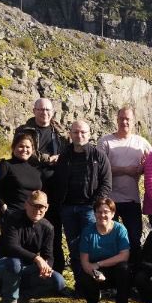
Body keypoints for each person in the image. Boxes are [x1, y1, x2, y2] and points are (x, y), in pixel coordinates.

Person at [0, 190, 66, 303]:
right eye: (34, 205)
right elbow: (11, 247)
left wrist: (47, 267)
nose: (38, 210)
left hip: (25, 270)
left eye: (41, 207)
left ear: (47, 208)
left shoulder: (48, 227)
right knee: (14, 263)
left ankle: (22, 298)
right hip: (2, 268)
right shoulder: (12, 219)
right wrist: (36, 258)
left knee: (58, 281)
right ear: (26, 205)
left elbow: (49, 255)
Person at [16, 97, 69, 273]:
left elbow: (68, 153)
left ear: (52, 112)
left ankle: (56, 273)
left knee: (53, 232)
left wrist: (61, 159)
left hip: (55, 190)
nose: (44, 113)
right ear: (34, 111)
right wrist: (49, 159)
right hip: (31, 189)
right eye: (40, 109)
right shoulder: (24, 131)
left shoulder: (61, 132)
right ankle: (25, 272)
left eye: (47, 110)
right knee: (27, 232)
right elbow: (26, 152)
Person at [55, 120, 112, 282]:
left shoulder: (98, 155)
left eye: (83, 132)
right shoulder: (64, 156)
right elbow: (58, 181)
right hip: (68, 209)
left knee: (90, 248)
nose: (79, 135)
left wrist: (95, 205)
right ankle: (80, 286)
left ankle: (93, 286)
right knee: (74, 248)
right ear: (70, 134)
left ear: (89, 134)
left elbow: (106, 183)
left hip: (89, 209)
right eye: (75, 132)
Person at [98, 105, 152, 263]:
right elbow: (100, 169)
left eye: (128, 119)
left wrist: (142, 169)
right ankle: (109, 281)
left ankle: (134, 278)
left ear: (133, 121)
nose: (124, 122)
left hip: (131, 200)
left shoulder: (141, 142)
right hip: (109, 201)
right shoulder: (105, 141)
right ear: (116, 120)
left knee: (134, 241)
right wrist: (125, 170)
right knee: (107, 242)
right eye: (121, 118)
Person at [77, 198, 132, 303]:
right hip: (95, 271)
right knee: (83, 274)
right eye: (98, 211)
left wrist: (99, 264)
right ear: (95, 213)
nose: (102, 215)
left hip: (114, 270)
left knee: (124, 268)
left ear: (112, 213)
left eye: (106, 211)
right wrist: (94, 273)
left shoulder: (120, 229)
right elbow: (85, 262)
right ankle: (92, 302)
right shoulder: (87, 231)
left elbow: (124, 256)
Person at [0, 131, 43, 218]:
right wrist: (3, 207)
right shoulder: (5, 165)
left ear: (32, 149)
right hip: (12, 215)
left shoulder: (36, 168)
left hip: (33, 216)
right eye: (21, 146)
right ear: (13, 147)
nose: (24, 150)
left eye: (28, 147)